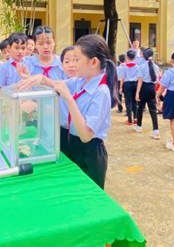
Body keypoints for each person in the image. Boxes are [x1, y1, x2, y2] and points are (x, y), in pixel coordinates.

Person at [17, 34, 116, 190]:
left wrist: (69, 99)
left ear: (93, 62)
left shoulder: (101, 92)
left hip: (89, 153)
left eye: (77, 59)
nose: (73, 65)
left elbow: (86, 135)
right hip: (71, 144)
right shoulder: (80, 81)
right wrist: (37, 78)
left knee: (86, 194)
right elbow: (55, 84)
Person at [135, 48, 160, 139]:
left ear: (144, 57)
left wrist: (137, 93)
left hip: (144, 87)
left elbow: (140, 80)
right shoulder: (156, 67)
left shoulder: (142, 66)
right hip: (152, 87)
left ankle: (139, 126)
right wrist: (155, 91)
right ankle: (156, 130)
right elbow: (156, 80)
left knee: (140, 107)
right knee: (153, 109)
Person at [120, 49, 140, 126]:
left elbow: (122, 78)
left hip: (127, 84)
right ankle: (136, 118)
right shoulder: (137, 67)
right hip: (135, 84)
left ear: (127, 57)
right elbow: (139, 77)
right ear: (135, 57)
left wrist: (121, 87)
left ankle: (129, 120)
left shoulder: (124, 67)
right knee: (135, 102)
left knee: (128, 102)